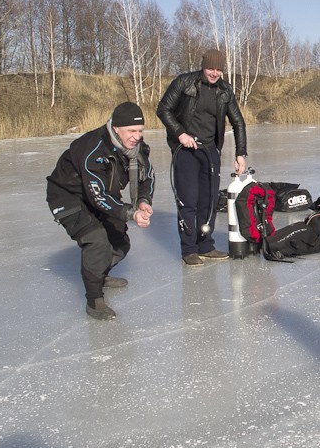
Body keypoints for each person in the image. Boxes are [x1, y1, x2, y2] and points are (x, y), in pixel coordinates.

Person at [46, 102, 155, 320]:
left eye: (140, 130)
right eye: (131, 131)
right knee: (97, 241)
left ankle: (99, 273)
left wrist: (143, 200)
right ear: (116, 129)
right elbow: (97, 196)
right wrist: (130, 213)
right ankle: (94, 299)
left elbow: (147, 176)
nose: (136, 136)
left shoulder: (138, 148)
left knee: (120, 242)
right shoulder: (93, 148)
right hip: (68, 196)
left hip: (102, 194)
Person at [157, 48, 248, 266]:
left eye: (218, 69)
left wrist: (240, 153)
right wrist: (180, 134)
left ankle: (205, 245)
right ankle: (189, 249)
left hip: (209, 151)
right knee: (188, 200)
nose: (214, 73)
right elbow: (163, 109)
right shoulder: (184, 82)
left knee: (208, 202)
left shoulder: (224, 91)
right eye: (210, 68)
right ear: (203, 66)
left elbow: (238, 122)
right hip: (186, 151)